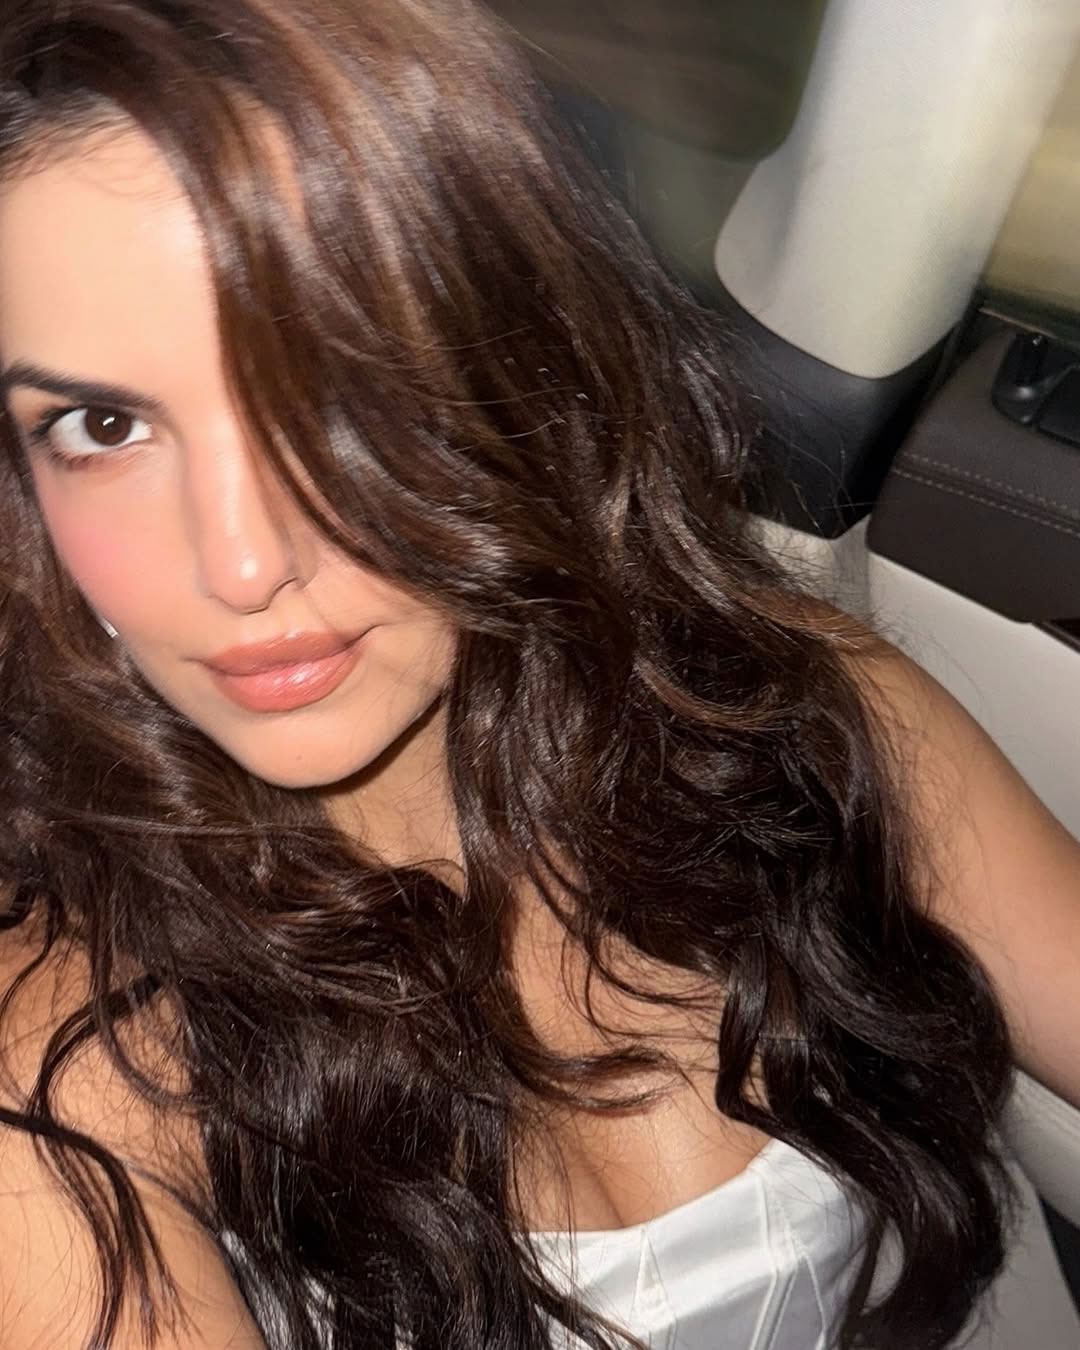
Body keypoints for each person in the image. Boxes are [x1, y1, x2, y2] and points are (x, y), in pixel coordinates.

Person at [0, 1, 1077, 1347]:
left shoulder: (800, 710)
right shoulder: (60, 1079)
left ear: (508, 359)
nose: (241, 563)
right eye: (101, 425)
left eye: (331, 377)